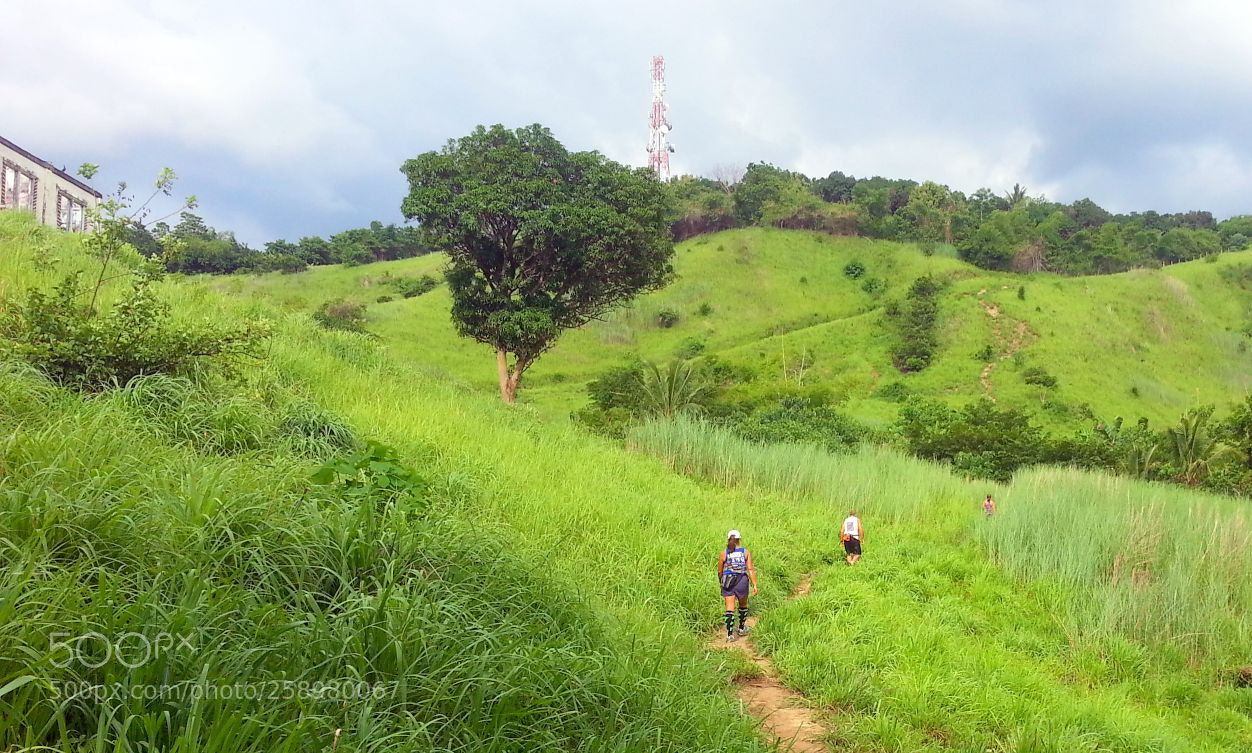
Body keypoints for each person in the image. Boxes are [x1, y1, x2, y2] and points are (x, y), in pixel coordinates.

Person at [717, 529, 758, 642]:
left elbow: (720, 571)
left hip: (728, 581)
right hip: (742, 581)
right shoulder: (745, 552)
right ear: (739, 540)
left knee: (729, 607)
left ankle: (729, 634)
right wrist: (754, 584)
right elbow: (750, 569)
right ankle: (741, 628)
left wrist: (721, 581)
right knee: (743, 604)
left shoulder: (724, 553)